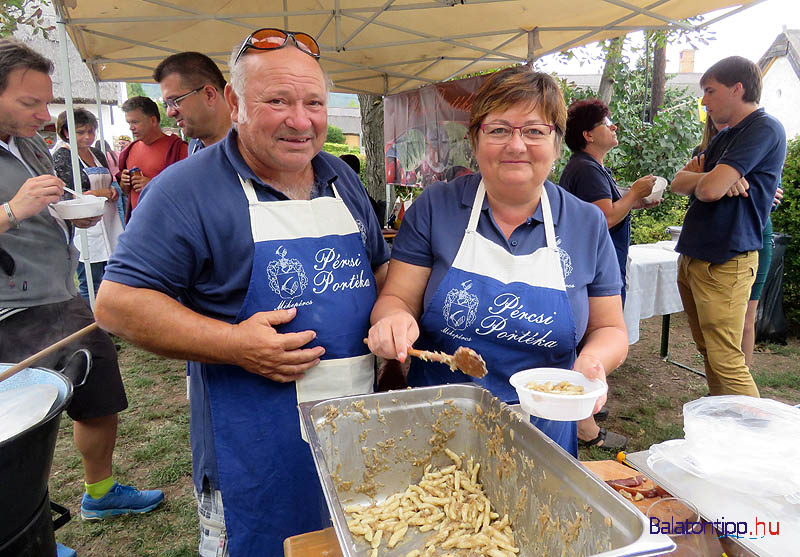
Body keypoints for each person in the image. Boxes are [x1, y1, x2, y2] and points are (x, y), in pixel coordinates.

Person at [94, 28, 390, 556]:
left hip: (355, 426)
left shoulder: (343, 180)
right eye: (277, 101)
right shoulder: (186, 189)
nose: (300, 120)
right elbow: (118, 304)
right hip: (254, 442)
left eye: (314, 103)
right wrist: (234, 345)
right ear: (234, 103)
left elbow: (379, 273)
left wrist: (397, 318)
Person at [367, 66, 628, 458]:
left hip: (542, 433)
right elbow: (398, 299)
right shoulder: (436, 207)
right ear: (476, 139)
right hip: (437, 424)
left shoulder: (586, 223)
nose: (516, 145)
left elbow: (610, 328)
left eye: (535, 131)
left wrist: (591, 363)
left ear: (557, 143)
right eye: (499, 129)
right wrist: (392, 320)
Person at [0, 38, 163, 520]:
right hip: (13, 309)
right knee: (23, 429)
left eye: (46, 101)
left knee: (99, 396)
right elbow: (19, 208)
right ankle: (28, 526)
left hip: (63, 295)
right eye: (30, 103)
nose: (44, 114)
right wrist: (11, 210)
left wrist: (76, 216)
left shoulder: (29, 142)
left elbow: (46, 206)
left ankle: (100, 492)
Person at [671, 56, 786, 397]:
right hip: (696, 256)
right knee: (711, 351)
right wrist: (713, 179)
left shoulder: (764, 128)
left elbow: (706, 189)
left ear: (738, 89)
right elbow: (681, 181)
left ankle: (755, 441)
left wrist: (709, 181)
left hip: (725, 259)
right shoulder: (726, 136)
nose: (704, 100)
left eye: (710, 90)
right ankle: (724, 421)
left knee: (726, 360)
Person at [690, 117, 781, 370]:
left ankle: (739, 382)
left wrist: (745, 185)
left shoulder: (762, 140)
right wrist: (715, 180)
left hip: (756, 237)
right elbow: (694, 191)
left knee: (746, 319)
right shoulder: (703, 152)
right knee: (716, 333)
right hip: (716, 242)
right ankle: (723, 388)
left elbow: (773, 194)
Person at [560, 99, 657, 308]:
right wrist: (634, 193)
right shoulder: (587, 170)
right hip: (597, 273)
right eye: (606, 123)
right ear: (588, 135)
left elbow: (605, 207)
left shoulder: (589, 166)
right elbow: (606, 218)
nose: (614, 126)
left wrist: (637, 201)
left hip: (596, 268)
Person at [53, 109, 125, 302]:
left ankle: (108, 318)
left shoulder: (97, 153)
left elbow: (109, 181)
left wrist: (112, 191)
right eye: (80, 132)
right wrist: (100, 193)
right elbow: (68, 195)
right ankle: (91, 325)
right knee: (89, 281)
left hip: (108, 221)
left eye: (91, 131)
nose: (88, 137)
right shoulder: (62, 156)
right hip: (84, 225)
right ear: (66, 132)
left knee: (109, 277)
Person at [117, 96, 187, 218]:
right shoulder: (129, 151)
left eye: (135, 122)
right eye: (129, 123)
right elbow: (126, 191)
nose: (131, 128)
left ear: (153, 121)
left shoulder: (178, 149)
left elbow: (188, 191)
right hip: (138, 225)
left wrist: (153, 186)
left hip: (168, 223)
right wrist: (124, 183)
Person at [153, 51, 232, 155]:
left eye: (175, 101)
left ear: (209, 94)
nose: (169, 113)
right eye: (166, 105)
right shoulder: (194, 147)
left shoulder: (255, 145)